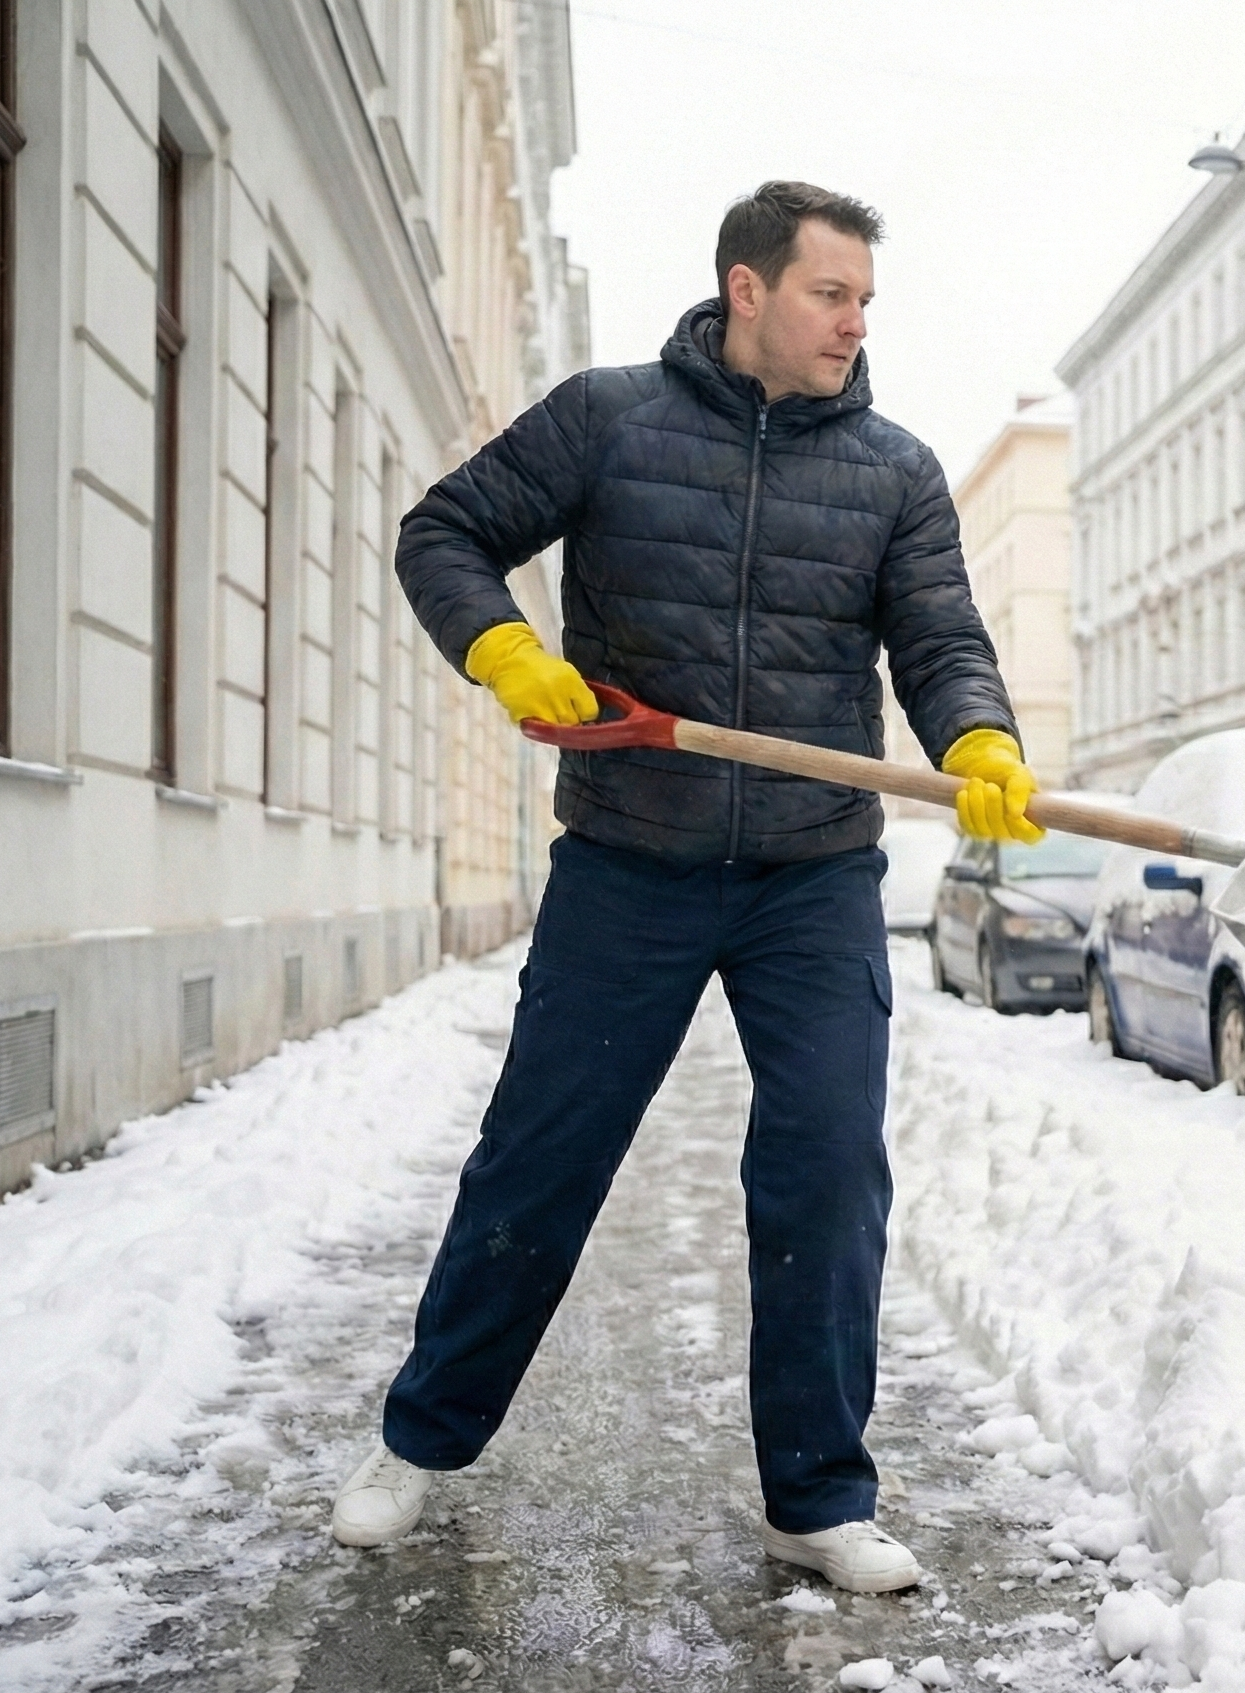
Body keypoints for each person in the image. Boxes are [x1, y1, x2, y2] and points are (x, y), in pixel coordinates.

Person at [329, 181, 1043, 1594]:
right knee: (543, 1152)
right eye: (832, 294)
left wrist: (977, 734)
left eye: (865, 301)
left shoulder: (893, 470)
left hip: (813, 874)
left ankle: (818, 1497)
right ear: (749, 290)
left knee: (828, 1169)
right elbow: (444, 534)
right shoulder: (609, 420)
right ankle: (421, 1442)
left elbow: (941, 634)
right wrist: (503, 650)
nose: (855, 322)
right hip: (628, 858)